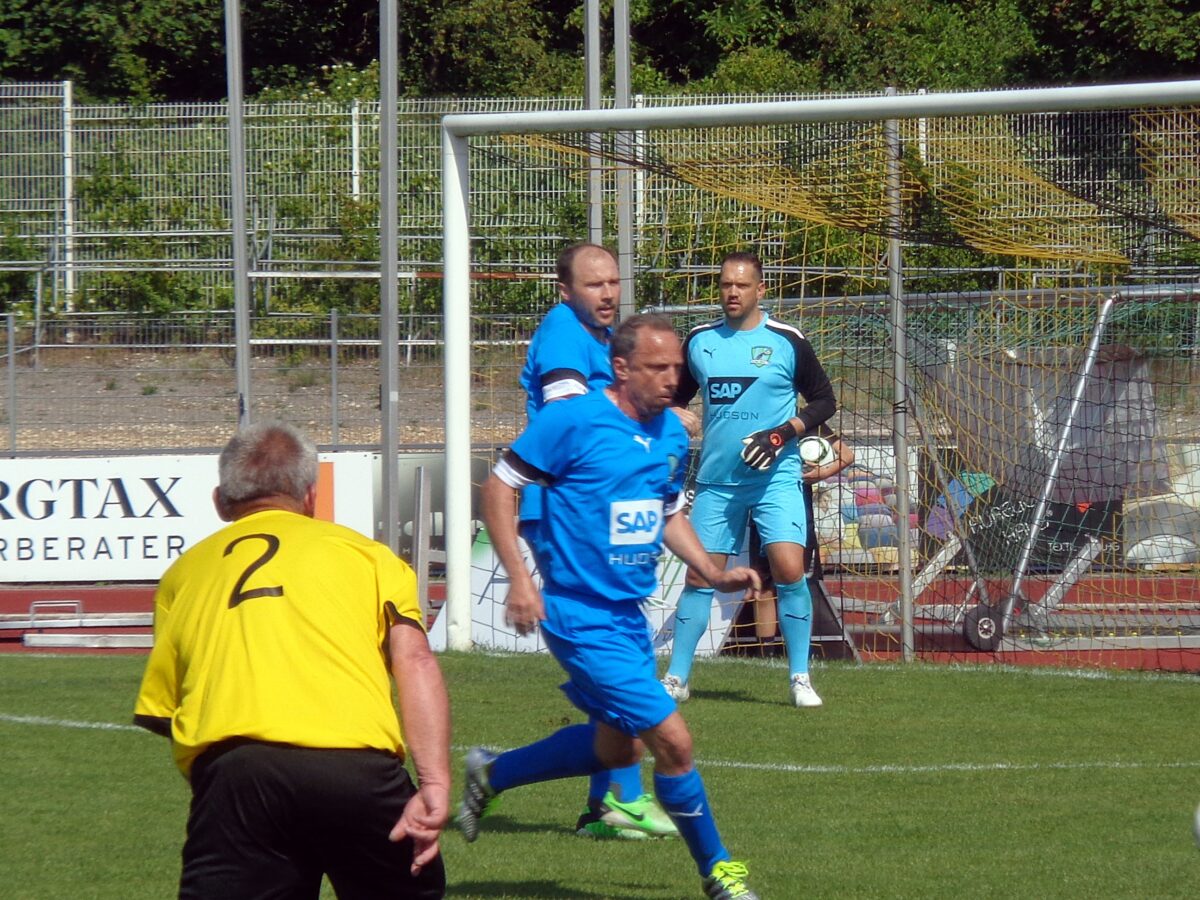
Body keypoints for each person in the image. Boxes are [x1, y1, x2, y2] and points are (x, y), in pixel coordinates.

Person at [461, 314, 764, 900]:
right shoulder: (571, 421)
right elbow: (501, 485)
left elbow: (668, 510)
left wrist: (709, 571)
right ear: (621, 369)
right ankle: (720, 873)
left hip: (629, 615)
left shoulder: (672, 434)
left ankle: (491, 774)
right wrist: (521, 579)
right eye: (657, 368)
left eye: (677, 368)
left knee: (616, 746)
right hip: (578, 614)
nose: (671, 380)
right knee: (673, 740)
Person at [133, 421, 451, 899]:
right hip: (355, 770)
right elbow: (416, 660)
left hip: (237, 774)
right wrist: (434, 782)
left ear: (221, 501)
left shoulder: (182, 575)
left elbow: (167, 709)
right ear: (309, 496)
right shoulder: (368, 556)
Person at [519, 242, 679, 841]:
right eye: (594, 285)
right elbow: (571, 416)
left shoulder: (595, 338)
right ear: (566, 292)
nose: (608, 294)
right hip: (563, 507)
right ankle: (623, 800)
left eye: (614, 282)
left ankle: (605, 804)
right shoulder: (563, 336)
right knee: (616, 653)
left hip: (590, 502)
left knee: (620, 651)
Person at [662, 250, 837, 708]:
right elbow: (675, 399)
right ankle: (677, 677)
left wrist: (782, 434)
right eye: (724, 284)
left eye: (741, 285)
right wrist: (677, 413)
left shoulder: (787, 341)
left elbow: (824, 401)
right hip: (718, 483)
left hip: (775, 479)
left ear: (761, 290)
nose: (732, 292)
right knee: (701, 576)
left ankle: (799, 677)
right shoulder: (700, 341)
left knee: (788, 568)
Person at [748, 426, 855, 653]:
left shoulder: (808, 420)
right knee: (763, 582)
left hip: (798, 506)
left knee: (796, 581)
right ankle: (764, 653)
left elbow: (846, 455)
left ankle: (797, 651)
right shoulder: (756, 418)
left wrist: (822, 472)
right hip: (761, 502)